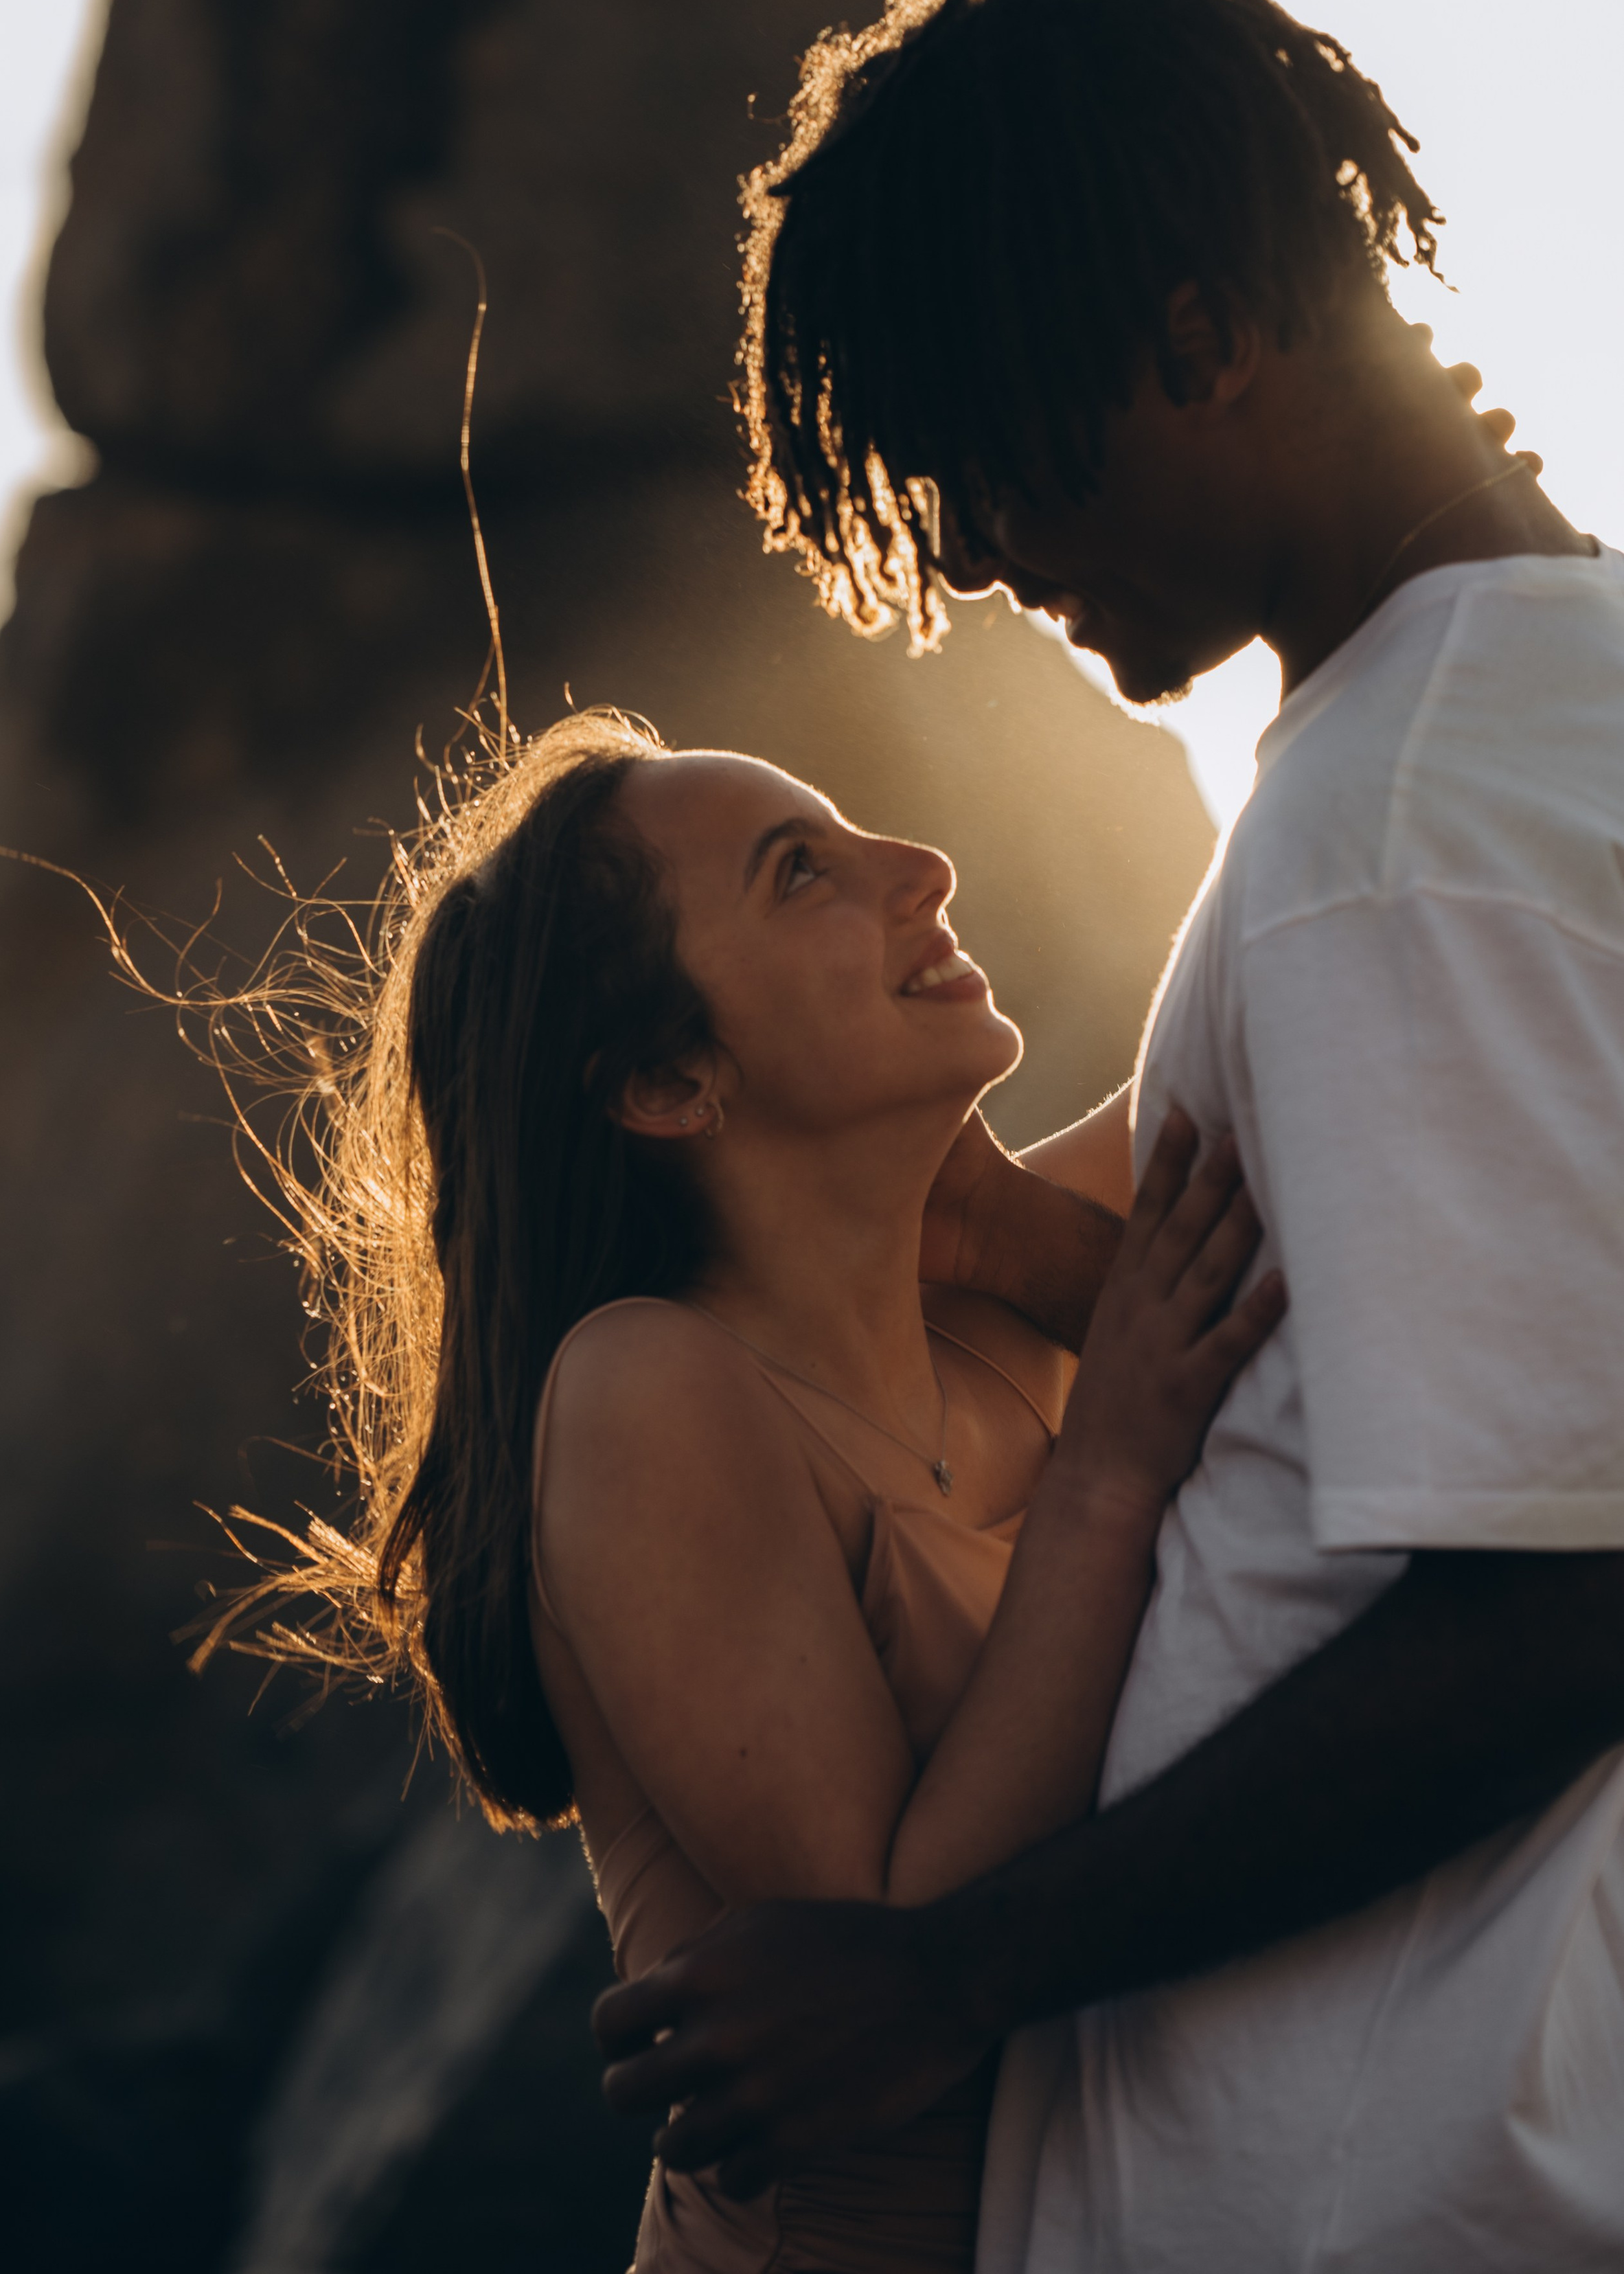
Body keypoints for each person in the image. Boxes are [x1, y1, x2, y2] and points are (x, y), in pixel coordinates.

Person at [593, 0, 1624, 2269]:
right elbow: (1291, 1287)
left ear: (1196, 341)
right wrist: (935, 1212)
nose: (960, 549)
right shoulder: (1535, 721)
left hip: (1377, 2187)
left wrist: (946, 1972)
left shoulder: (1396, 827)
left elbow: (1564, 1605)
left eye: (968, 449)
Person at [233, 701, 1283, 2273]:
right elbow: (893, 1961)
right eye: (801, 872)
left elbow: (1314, 1072)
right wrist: (1110, 1472)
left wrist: (1001, 1237)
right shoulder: (645, 1390)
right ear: (668, 1081)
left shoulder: (1012, 1297)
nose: (919, 864)